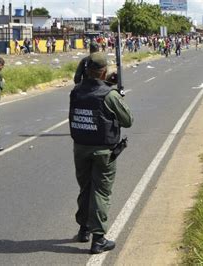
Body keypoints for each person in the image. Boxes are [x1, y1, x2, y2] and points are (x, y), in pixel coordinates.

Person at [69, 53, 133, 254]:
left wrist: (106, 83)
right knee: (101, 192)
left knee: (85, 188)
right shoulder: (109, 95)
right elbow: (128, 120)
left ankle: (84, 228)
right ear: (104, 71)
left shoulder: (76, 91)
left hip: (80, 147)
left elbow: (90, 87)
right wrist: (117, 94)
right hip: (103, 150)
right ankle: (98, 239)